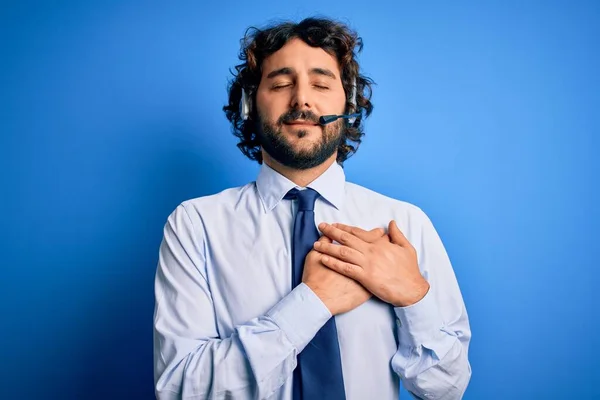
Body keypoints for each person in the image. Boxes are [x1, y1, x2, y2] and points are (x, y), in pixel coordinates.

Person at [153, 17, 471, 400]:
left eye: (321, 84)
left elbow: (446, 389)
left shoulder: (404, 224)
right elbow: (179, 391)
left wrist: (413, 296)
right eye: (281, 83)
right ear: (249, 104)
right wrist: (311, 303)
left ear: (348, 103)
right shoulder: (195, 225)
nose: (302, 100)